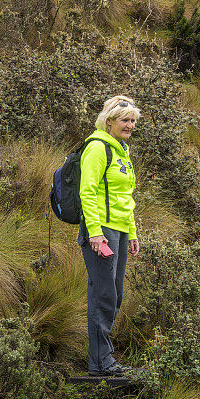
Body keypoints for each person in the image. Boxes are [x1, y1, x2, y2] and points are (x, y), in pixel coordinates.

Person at [79, 95, 140, 376]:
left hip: (119, 230)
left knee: (114, 295)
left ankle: (102, 361)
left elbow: (123, 196)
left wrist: (132, 231)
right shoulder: (97, 147)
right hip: (100, 232)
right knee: (104, 294)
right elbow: (87, 191)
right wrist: (94, 232)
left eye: (133, 121)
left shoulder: (121, 150)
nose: (129, 125)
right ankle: (101, 364)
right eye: (125, 120)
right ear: (109, 121)